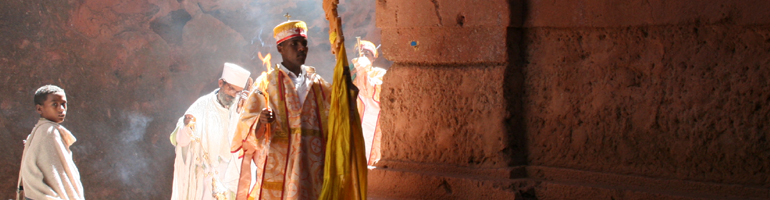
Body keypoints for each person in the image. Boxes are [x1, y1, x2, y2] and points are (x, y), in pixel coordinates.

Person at [230, 19, 331, 200]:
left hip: (312, 167)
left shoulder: (319, 85)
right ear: (280, 48)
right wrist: (261, 122)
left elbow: (338, 118)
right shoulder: (266, 83)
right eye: (294, 44)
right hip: (279, 169)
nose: (302, 48)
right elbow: (245, 125)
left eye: (304, 43)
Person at [170, 63, 251, 200]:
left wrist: (247, 109)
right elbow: (180, 141)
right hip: (204, 178)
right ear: (221, 83)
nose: (233, 95)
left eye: (238, 92)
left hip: (229, 178)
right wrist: (187, 128)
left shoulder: (241, 109)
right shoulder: (202, 106)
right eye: (231, 89)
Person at [17, 85, 84, 200]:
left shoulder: (43, 130)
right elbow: (55, 177)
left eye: (64, 104)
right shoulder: (48, 132)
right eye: (54, 104)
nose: (61, 109)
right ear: (39, 109)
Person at [350, 39, 386, 166]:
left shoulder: (380, 73)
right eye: (359, 54)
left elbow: (370, 93)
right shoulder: (351, 74)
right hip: (355, 123)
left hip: (374, 123)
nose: (362, 56)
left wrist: (362, 70)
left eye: (366, 54)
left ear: (373, 58)